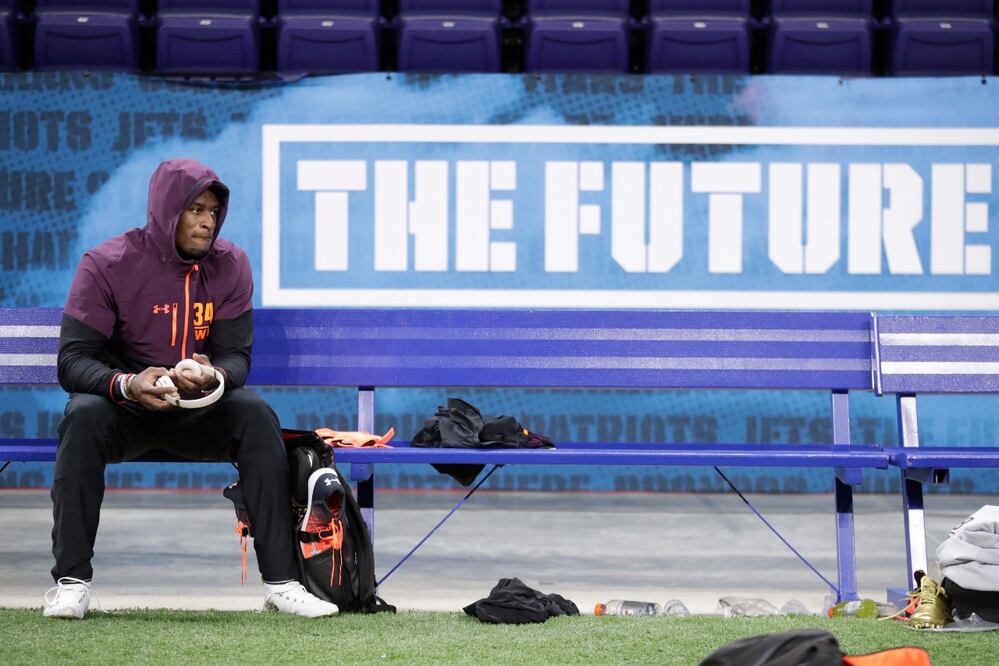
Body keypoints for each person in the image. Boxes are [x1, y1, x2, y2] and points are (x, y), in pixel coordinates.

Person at [44, 158, 337, 619]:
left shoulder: (231, 264)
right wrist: (125, 384)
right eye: (195, 209)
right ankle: (71, 583)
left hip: (199, 411)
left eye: (214, 212)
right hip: (127, 411)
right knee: (82, 415)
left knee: (256, 415)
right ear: (166, 211)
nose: (207, 222)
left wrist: (212, 375)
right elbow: (73, 360)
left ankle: (282, 583)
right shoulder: (106, 264)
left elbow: (236, 357)